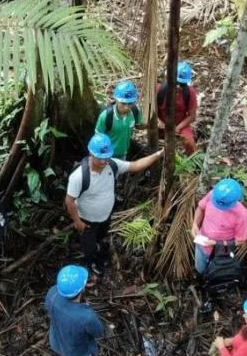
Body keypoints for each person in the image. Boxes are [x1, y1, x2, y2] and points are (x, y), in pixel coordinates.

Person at [65, 133, 165, 276]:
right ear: (90, 154)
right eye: (99, 158)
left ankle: (99, 250)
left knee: (101, 237)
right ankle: (90, 262)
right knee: (89, 246)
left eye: (106, 157)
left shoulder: (112, 164)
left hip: (105, 216)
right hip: (87, 220)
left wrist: (159, 154)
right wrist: (77, 222)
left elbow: (135, 165)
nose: (103, 161)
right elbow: (69, 201)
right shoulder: (79, 176)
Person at [44, 265, 105, 356]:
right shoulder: (86, 317)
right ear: (82, 288)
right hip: (76, 351)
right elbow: (98, 332)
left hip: (56, 340)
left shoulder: (52, 293)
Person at [191, 178, 247, 275]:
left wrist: (216, 243)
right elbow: (200, 208)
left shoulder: (242, 214)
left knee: (215, 273)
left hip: (221, 253)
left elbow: (240, 240)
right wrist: (195, 224)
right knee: (200, 269)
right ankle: (200, 277)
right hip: (202, 244)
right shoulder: (212, 195)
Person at [156, 60, 198, 154]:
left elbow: (192, 116)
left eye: (182, 84)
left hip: (180, 124)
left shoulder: (190, 92)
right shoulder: (159, 90)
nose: (179, 87)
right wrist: (159, 121)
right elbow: (150, 111)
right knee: (153, 141)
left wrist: (178, 128)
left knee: (190, 143)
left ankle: (192, 161)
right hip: (161, 123)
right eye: (177, 83)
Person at [95, 80, 142, 159]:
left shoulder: (135, 111)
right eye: (123, 103)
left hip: (124, 153)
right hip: (107, 156)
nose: (126, 107)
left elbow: (139, 125)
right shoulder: (106, 116)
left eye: (130, 103)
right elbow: (98, 138)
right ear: (116, 100)